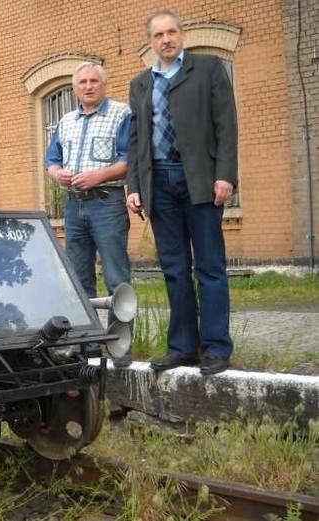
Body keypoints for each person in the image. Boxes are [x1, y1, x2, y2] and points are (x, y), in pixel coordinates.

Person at [126, 11, 237, 376]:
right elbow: (137, 139)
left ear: (181, 34)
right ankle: (182, 348)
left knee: (209, 266)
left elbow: (226, 125)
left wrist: (225, 176)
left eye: (171, 32)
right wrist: (135, 187)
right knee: (174, 269)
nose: (166, 39)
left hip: (200, 181)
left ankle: (217, 348)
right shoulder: (141, 83)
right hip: (159, 184)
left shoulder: (207, 69)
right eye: (158, 34)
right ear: (151, 41)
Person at [44, 63, 133, 330]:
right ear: (75, 88)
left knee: (116, 278)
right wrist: (57, 173)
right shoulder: (66, 121)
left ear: (104, 85)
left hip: (107, 204)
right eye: (82, 82)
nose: (88, 86)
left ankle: (120, 344)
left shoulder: (122, 114)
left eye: (94, 81)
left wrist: (99, 176)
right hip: (74, 207)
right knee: (79, 279)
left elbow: (130, 160)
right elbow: (51, 160)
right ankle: (88, 342)